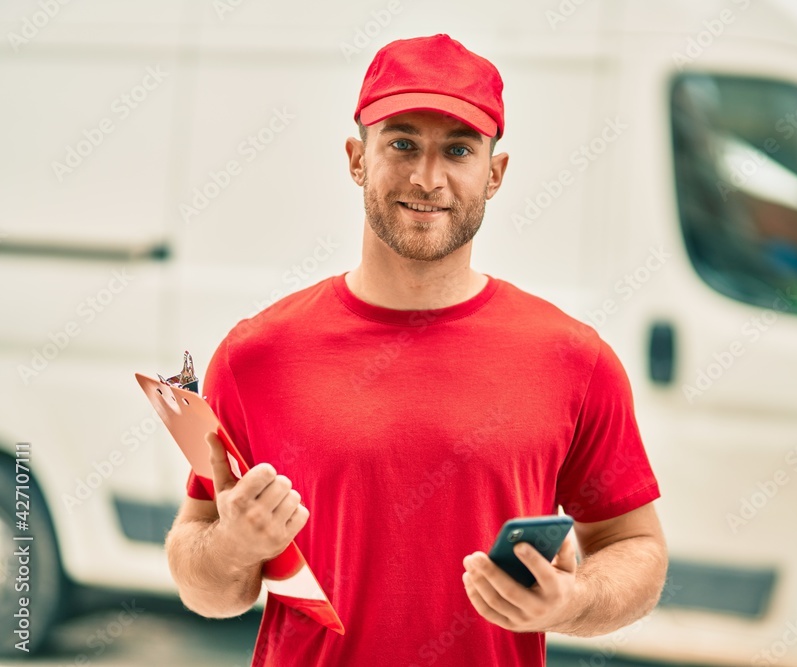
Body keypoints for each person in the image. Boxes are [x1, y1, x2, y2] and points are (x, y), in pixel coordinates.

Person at [164, 33, 667, 666]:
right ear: (356, 159)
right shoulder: (255, 355)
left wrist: (572, 600)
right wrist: (232, 546)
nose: (427, 178)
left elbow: (635, 545)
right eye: (402, 143)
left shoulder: (574, 360)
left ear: (495, 173)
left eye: (458, 149)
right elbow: (205, 584)